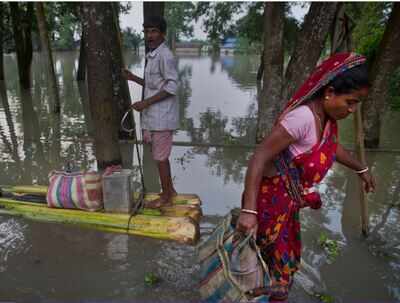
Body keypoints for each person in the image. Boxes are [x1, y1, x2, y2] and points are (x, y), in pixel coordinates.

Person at [236, 53, 376, 302]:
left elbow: (332, 148)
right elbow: (259, 156)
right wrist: (249, 210)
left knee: (278, 269)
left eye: (357, 104)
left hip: (288, 205)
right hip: (268, 204)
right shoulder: (302, 118)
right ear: (329, 92)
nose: (352, 109)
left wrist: (361, 168)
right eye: (350, 102)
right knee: (260, 265)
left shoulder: (328, 119)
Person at [123, 16, 178, 208]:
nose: (149, 35)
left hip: (162, 118)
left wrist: (145, 103)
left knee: (160, 158)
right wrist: (133, 78)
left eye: (154, 31)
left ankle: (166, 196)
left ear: (162, 33)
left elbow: (172, 87)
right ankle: (170, 190)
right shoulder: (152, 55)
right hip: (153, 117)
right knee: (161, 157)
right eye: (146, 32)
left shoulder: (165, 56)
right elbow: (154, 85)